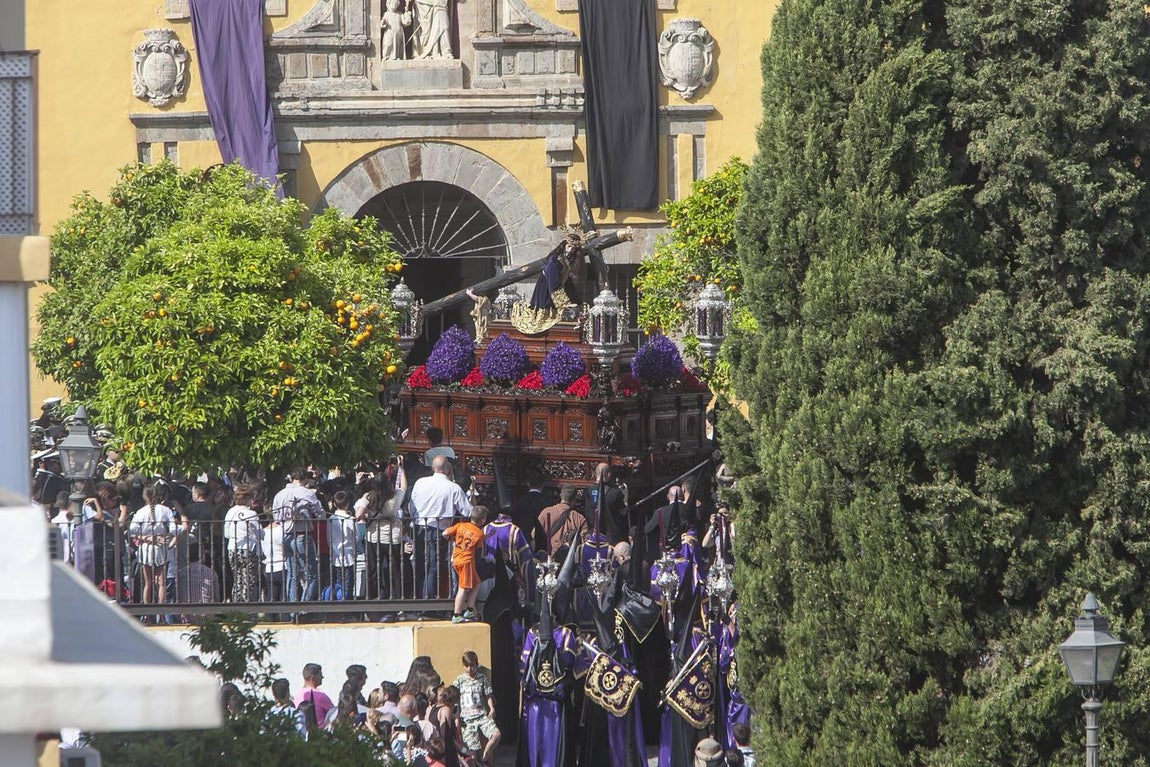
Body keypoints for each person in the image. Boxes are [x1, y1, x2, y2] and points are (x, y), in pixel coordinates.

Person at [409, 455, 471, 601]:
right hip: (438, 531)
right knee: (432, 567)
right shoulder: (453, 488)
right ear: (448, 468)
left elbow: (411, 506)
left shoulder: (420, 482)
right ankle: (428, 604)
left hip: (419, 528)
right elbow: (467, 510)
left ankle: (419, 600)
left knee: (420, 565)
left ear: (432, 467)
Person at [271, 469, 324, 606]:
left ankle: (292, 608)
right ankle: (303, 608)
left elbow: (276, 518)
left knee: (292, 574)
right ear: (305, 479)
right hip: (302, 535)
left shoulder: (280, 494)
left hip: (286, 536)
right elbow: (321, 514)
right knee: (311, 574)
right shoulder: (307, 493)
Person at [358, 461, 408, 604]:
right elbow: (404, 487)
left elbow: (358, 514)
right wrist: (401, 470)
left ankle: (372, 599)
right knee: (396, 571)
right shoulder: (395, 496)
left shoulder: (369, 496)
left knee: (373, 570)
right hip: (393, 538)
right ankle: (398, 600)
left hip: (374, 537)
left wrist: (369, 514)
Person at [129, 483, 176, 611]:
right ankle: (161, 614)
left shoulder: (140, 512)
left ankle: (147, 614)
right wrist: (166, 536)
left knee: (147, 583)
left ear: (144, 496)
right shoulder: (166, 510)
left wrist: (145, 538)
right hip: (160, 546)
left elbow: (132, 530)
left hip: (146, 547)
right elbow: (173, 529)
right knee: (161, 583)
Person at [453, 650, 501, 767]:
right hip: (467, 721)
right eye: (467, 666)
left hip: (481, 716)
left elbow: (488, 694)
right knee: (471, 752)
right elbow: (454, 699)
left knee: (496, 734)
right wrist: (457, 717)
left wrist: (492, 708)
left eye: (472, 665)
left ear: (476, 664)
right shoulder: (459, 681)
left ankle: (485, 756)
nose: (470, 669)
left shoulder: (482, 678)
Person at [443, 506, 487, 623]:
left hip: (456, 559)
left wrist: (453, 540)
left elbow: (445, 533)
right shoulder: (479, 533)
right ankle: (457, 614)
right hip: (466, 561)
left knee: (477, 583)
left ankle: (470, 609)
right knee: (462, 588)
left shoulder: (460, 525)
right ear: (482, 521)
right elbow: (479, 547)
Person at [223, 483, 263, 603]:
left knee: (237, 579)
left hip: (232, 548)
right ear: (247, 499)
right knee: (248, 580)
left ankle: (236, 604)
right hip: (247, 549)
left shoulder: (230, 512)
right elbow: (260, 534)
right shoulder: (251, 514)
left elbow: (226, 533)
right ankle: (246, 607)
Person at [537, 484, 586, 558]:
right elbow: (583, 543)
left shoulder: (546, 512)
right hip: (569, 559)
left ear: (561, 495)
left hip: (548, 557)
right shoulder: (579, 518)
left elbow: (536, 536)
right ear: (574, 499)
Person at [328, 489, 358, 604]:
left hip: (335, 554)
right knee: (349, 582)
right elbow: (356, 536)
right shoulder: (350, 519)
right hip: (349, 554)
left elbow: (328, 537)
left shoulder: (331, 519)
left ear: (335, 504)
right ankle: (347, 605)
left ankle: (337, 603)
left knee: (337, 582)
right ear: (348, 504)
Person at [511, 468, 550, 553]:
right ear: (542, 485)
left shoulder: (518, 502)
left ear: (528, 484)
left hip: (522, 541)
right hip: (541, 543)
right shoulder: (547, 503)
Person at [294, 662, 334, 726]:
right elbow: (334, 714)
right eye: (320, 675)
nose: (322, 677)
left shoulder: (297, 695)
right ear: (313, 678)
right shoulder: (321, 696)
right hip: (319, 733)